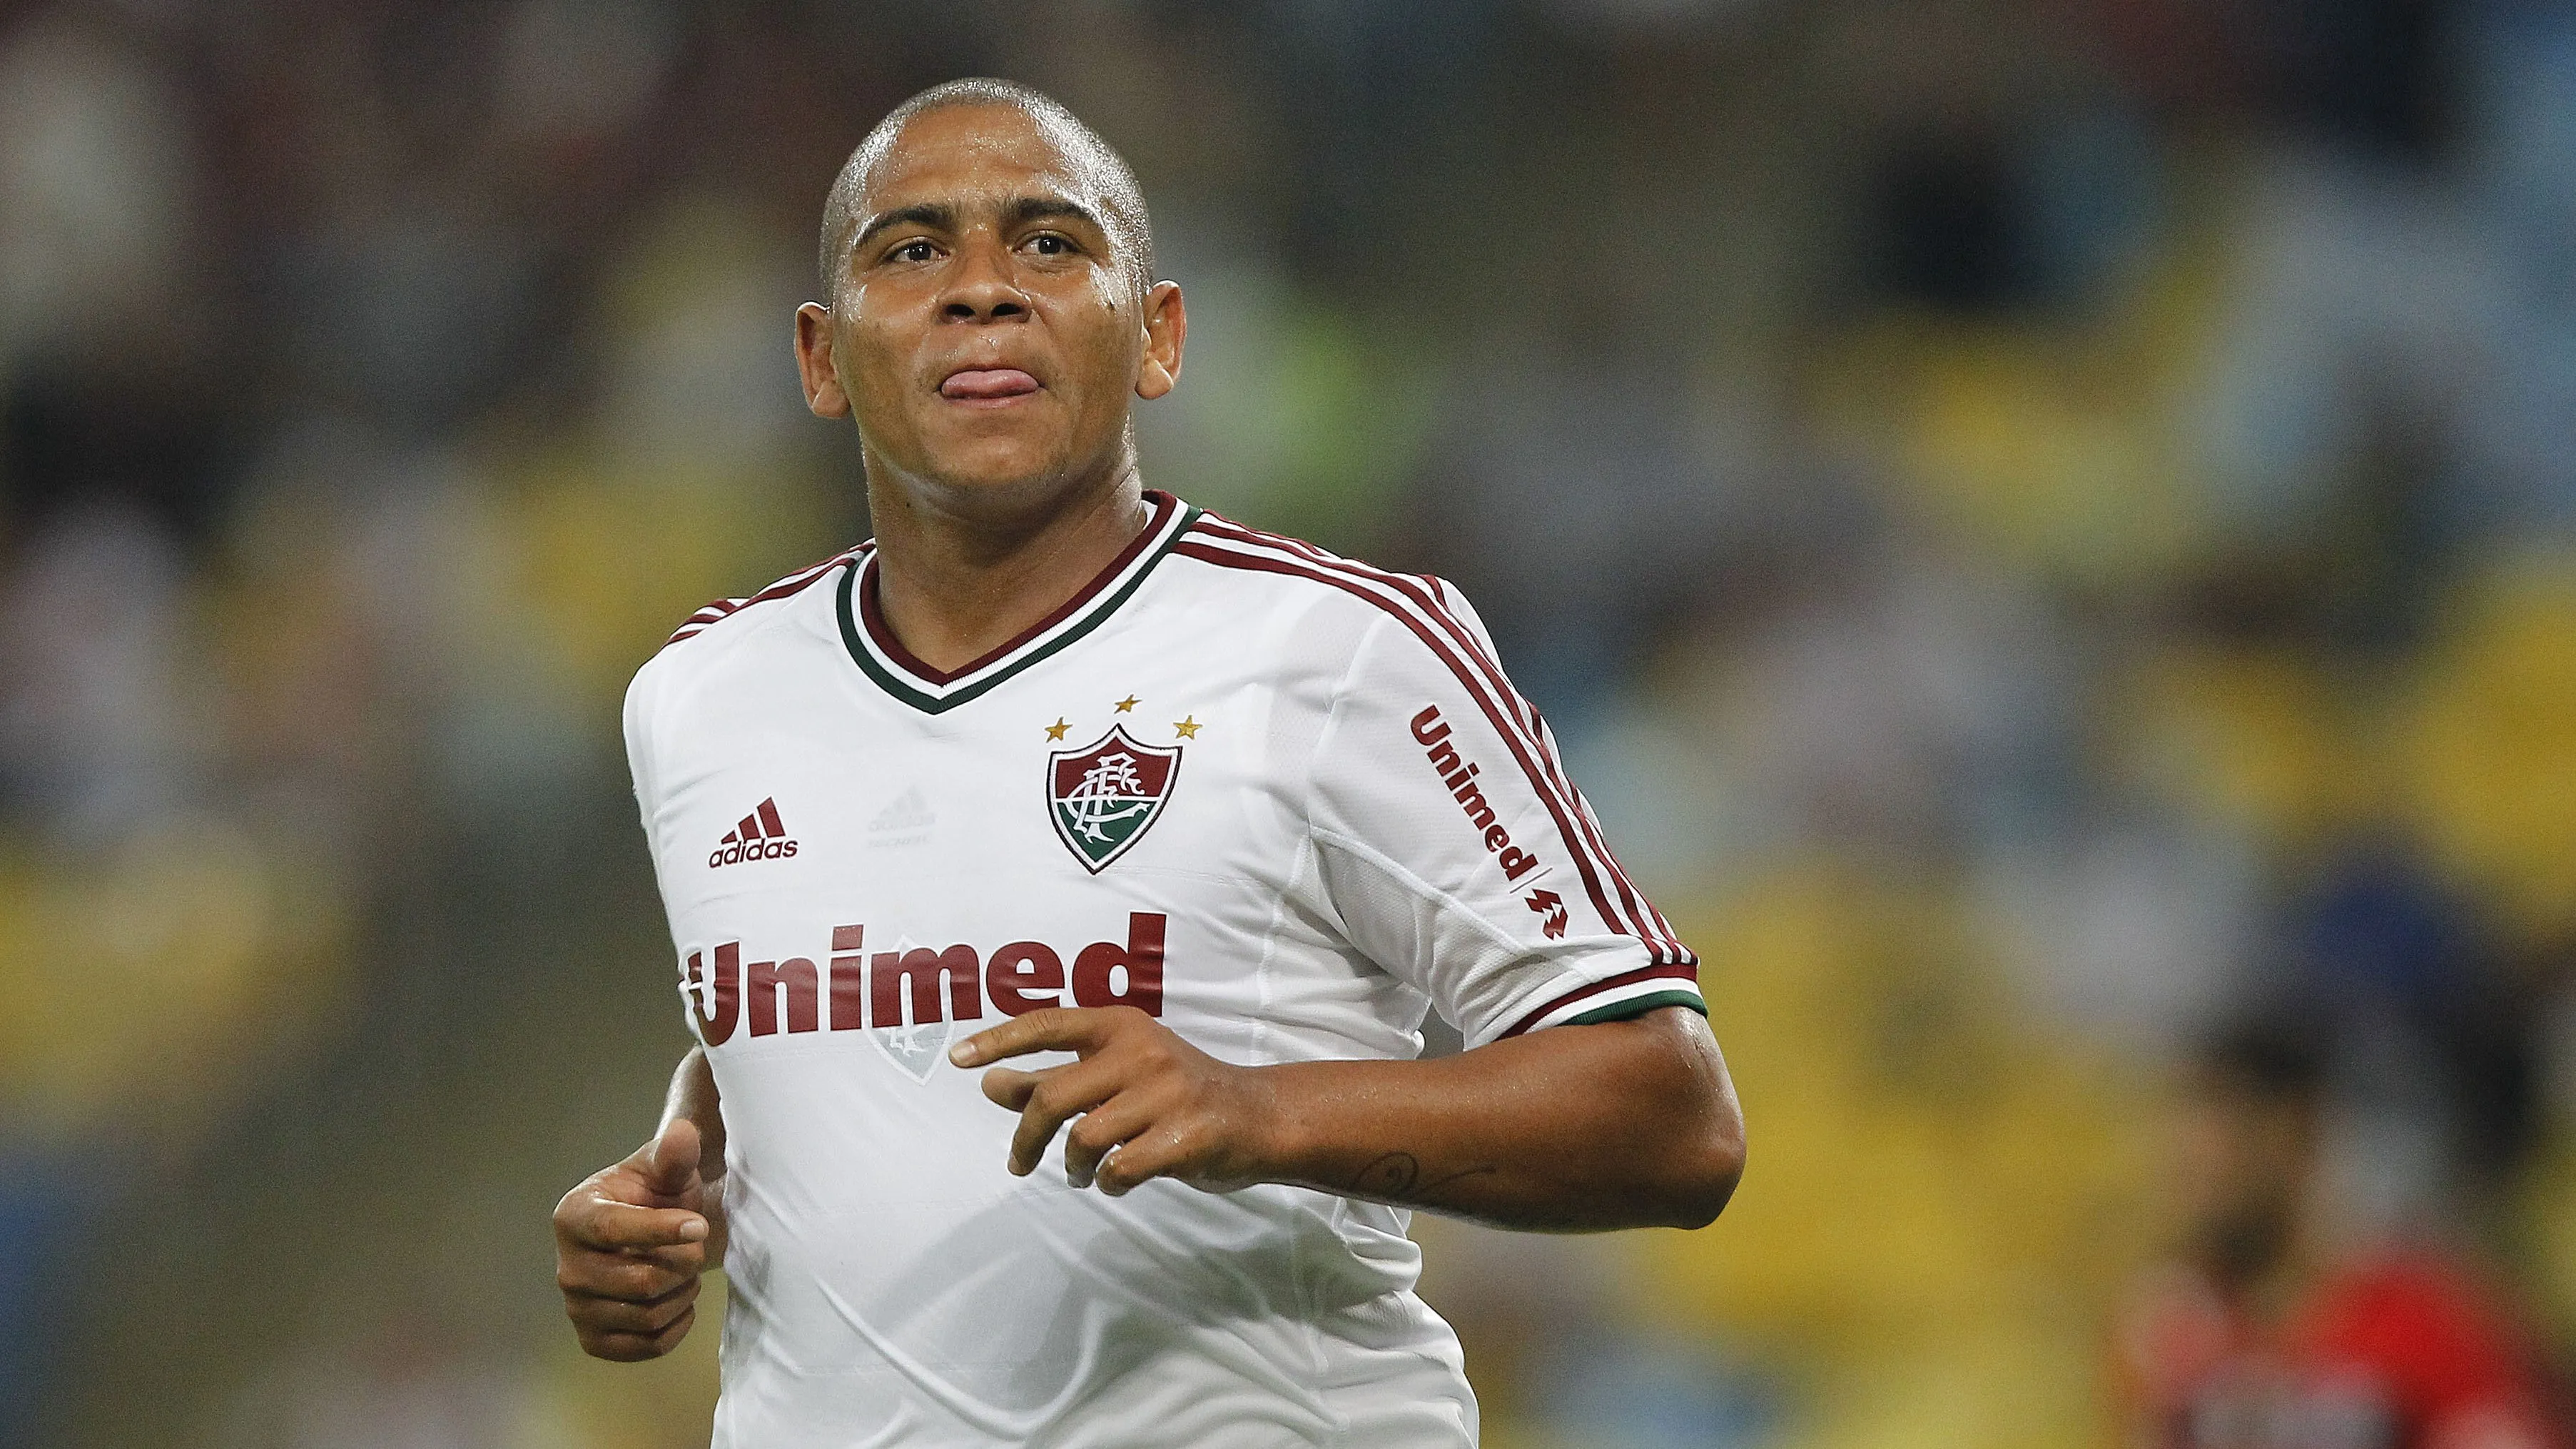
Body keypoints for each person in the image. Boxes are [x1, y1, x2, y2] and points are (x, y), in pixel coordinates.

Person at [549, 77, 1745, 1448]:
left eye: (1051, 243)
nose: (983, 290)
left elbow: (1675, 1117)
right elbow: (815, 1021)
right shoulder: (700, 699)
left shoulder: (1336, 651)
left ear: (1160, 338)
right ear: (821, 360)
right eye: (914, 249)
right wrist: (674, 1205)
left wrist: (1260, 1112)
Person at [2116, 1016, 2567, 1448]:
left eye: (2217, 1163)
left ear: (2296, 1133)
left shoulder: (2423, 1321)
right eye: (2184, 1166)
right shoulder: (2169, 1334)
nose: (2193, 1189)